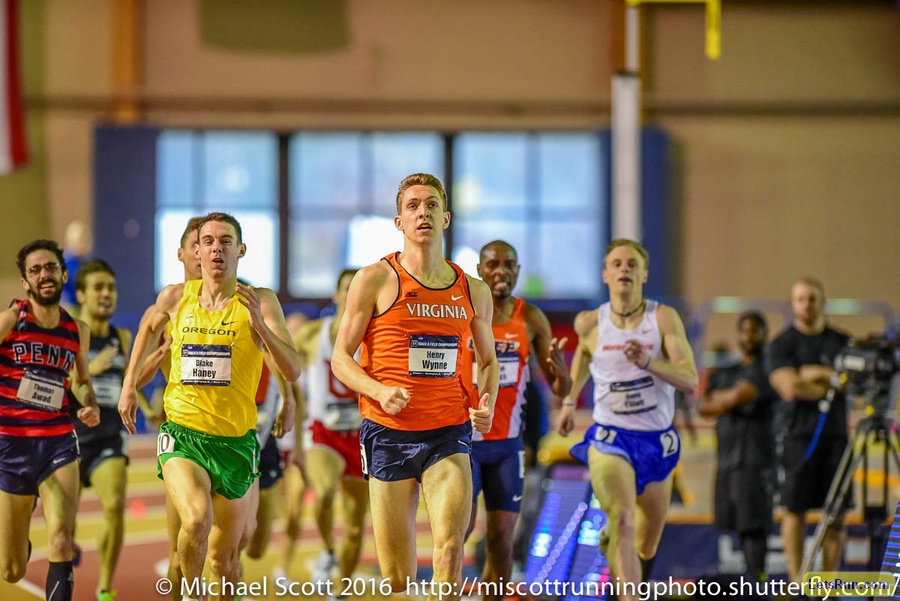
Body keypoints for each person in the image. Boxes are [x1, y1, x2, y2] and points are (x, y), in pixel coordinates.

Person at [331, 173, 499, 601]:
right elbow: (340, 359)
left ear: (445, 218)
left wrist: (488, 402)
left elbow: (489, 360)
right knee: (399, 580)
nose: (422, 212)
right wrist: (378, 390)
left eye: (430, 205)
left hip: (448, 433)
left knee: (448, 549)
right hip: (388, 434)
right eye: (412, 206)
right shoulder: (373, 280)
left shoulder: (472, 290)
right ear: (398, 221)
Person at [119, 212, 302, 601]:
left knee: (225, 561)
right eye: (209, 241)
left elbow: (293, 367)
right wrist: (128, 387)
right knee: (197, 519)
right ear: (196, 251)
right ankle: (190, 594)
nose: (216, 247)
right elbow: (146, 330)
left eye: (226, 241)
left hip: (235, 441)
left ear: (241, 250)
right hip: (183, 435)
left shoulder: (260, 301)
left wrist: (262, 328)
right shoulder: (175, 297)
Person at [556, 238, 698, 601]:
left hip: (655, 441)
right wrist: (571, 401)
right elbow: (584, 357)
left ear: (644, 274)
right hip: (609, 438)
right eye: (617, 264)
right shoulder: (589, 322)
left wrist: (650, 363)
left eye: (632, 264)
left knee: (646, 545)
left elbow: (690, 379)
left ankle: (614, 539)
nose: (624, 269)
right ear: (605, 273)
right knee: (621, 516)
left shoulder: (662, 318)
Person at [464, 240, 571, 601]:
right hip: (463, 445)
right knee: (456, 534)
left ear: (518, 271)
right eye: (492, 264)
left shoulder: (530, 318)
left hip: (507, 448)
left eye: (509, 265)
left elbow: (557, 384)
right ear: (479, 270)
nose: (501, 272)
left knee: (502, 541)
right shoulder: (461, 313)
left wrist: (563, 374)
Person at [0, 239, 101, 601]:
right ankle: (18, 540)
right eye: (35, 270)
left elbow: (83, 384)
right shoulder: (12, 320)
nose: (45, 274)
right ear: (26, 282)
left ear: (63, 274)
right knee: (11, 570)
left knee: (61, 539)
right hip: (11, 445)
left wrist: (88, 403)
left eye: (51, 268)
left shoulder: (77, 331)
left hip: (59, 441)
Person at [767, 277, 850, 583]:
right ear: (792, 305)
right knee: (794, 509)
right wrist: (832, 380)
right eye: (800, 299)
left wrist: (814, 373)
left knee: (835, 514)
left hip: (836, 437)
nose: (807, 305)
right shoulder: (781, 345)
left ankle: (827, 584)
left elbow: (852, 383)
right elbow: (790, 388)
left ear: (822, 302)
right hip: (796, 437)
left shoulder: (841, 342)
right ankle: (797, 580)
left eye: (812, 298)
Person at [292, 268, 370, 588]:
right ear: (337, 295)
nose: (352, 296)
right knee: (322, 494)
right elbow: (280, 364)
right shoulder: (313, 334)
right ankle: (327, 548)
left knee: (354, 525)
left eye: (359, 290)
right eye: (347, 289)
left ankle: (341, 590)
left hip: (363, 437)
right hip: (324, 432)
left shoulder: (375, 338)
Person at [72, 259, 139, 601]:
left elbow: (130, 385)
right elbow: (50, 384)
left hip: (108, 439)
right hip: (67, 441)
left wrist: (152, 407)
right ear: (81, 294)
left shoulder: (122, 337)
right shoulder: (70, 332)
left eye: (110, 288)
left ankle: (104, 589)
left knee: (114, 504)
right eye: (98, 287)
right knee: (62, 528)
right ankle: (65, 541)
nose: (106, 294)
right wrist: (88, 371)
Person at [697, 311, 778, 580]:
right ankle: (745, 585)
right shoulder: (728, 371)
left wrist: (722, 399)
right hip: (728, 459)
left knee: (753, 528)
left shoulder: (769, 370)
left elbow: (745, 393)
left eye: (755, 331)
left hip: (756, 459)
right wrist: (729, 398)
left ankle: (757, 584)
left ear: (765, 333)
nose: (749, 336)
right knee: (732, 524)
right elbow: (704, 405)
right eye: (744, 330)